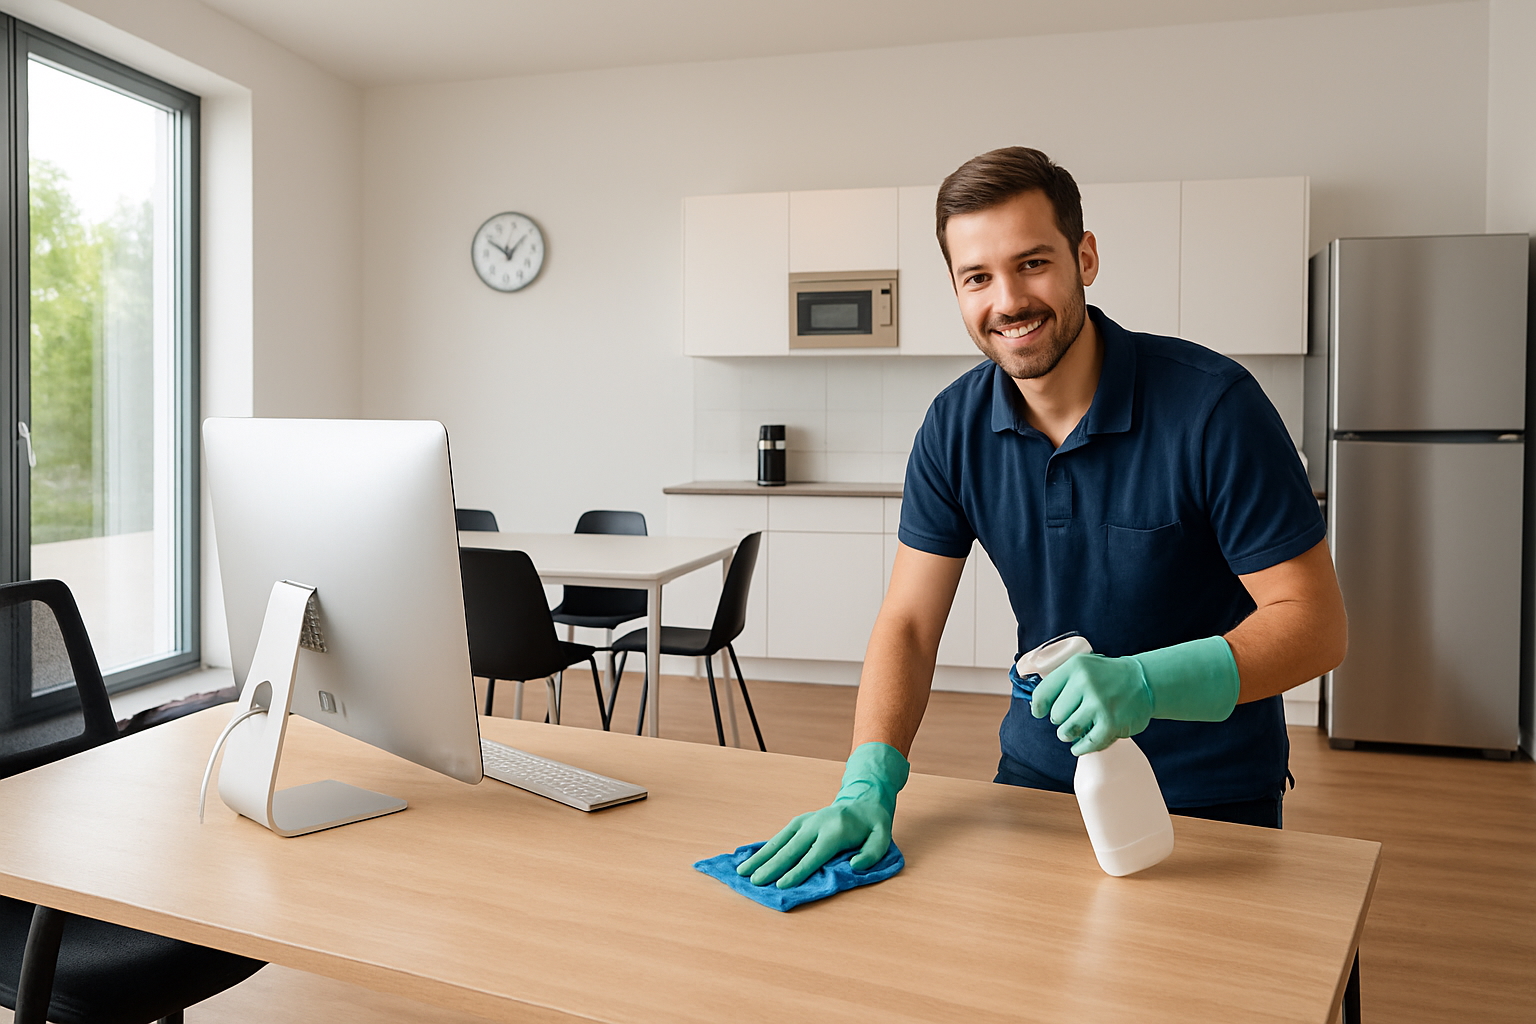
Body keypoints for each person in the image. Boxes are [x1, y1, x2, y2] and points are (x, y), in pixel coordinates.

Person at [740, 146, 1348, 889]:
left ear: (1084, 257)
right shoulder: (954, 428)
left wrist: (1146, 684)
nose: (1008, 300)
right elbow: (908, 623)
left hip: (1208, 797)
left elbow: (1315, 625)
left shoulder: (1212, 408)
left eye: (1032, 263)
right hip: (1038, 776)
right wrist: (867, 781)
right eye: (977, 277)